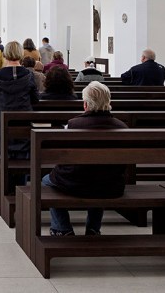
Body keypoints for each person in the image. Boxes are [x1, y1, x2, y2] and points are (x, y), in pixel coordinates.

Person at [41, 81, 128, 236]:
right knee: (100, 175)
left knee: (46, 182)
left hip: (76, 183)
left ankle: (62, 228)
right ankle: (93, 228)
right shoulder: (122, 127)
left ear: (86, 104)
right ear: (108, 102)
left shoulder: (74, 124)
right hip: (111, 184)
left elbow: (61, 155)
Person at [0, 41, 39, 155]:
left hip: (1, 124)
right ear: (21, 54)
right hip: (23, 121)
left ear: (5, 54)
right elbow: (35, 99)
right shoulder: (29, 75)